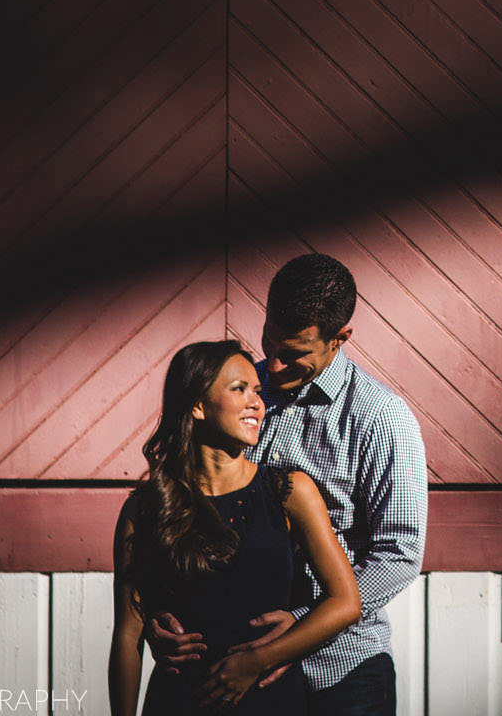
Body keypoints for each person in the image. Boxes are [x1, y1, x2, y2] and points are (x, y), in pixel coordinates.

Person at [147, 254, 429, 716]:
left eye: (294, 353)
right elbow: (190, 501)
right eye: (268, 343)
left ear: (341, 339)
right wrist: (162, 611)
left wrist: (298, 629)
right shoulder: (237, 392)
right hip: (237, 675)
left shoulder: (381, 420)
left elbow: (398, 554)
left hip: (341, 674)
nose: (272, 367)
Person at [109, 341, 362, 716]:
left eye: (257, 392)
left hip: (271, 702)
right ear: (197, 406)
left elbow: (345, 602)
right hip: (181, 703)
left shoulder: (290, 491)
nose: (256, 403)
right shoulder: (146, 507)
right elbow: (128, 634)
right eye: (239, 389)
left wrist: (259, 660)